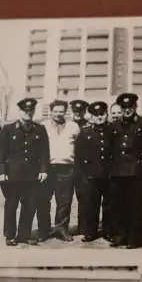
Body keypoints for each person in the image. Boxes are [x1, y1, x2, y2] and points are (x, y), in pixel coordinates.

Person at [0, 98, 49, 246]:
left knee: (29, 206)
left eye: (31, 111)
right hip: (12, 175)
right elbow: (0, 153)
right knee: (11, 205)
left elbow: (44, 152)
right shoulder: (8, 129)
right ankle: (10, 235)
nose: (28, 114)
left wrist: (44, 170)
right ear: (19, 112)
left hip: (32, 176)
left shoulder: (40, 129)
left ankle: (24, 235)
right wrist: (1, 171)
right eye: (25, 111)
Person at [109, 93, 142, 249]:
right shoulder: (114, 125)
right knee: (119, 205)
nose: (127, 110)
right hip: (118, 172)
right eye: (124, 108)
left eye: (130, 107)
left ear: (135, 107)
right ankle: (122, 235)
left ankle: (136, 238)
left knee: (136, 206)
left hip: (137, 171)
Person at [39, 99, 80, 242]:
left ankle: (61, 228)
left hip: (67, 168)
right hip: (48, 169)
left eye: (61, 111)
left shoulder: (73, 126)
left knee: (64, 201)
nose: (58, 114)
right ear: (51, 112)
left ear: (65, 112)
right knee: (44, 200)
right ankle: (44, 230)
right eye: (55, 111)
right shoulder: (43, 126)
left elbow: (79, 148)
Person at [74, 101, 113, 242]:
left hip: (109, 174)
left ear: (106, 114)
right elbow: (78, 154)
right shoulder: (85, 132)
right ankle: (90, 232)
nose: (99, 117)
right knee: (91, 204)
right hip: (91, 175)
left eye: (102, 114)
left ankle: (108, 231)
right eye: (96, 115)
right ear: (92, 116)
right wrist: (83, 175)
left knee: (109, 204)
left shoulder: (113, 130)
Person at [69, 99, 90, 235]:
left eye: (80, 111)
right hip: (68, 165)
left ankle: (84, 227)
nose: (78, 114)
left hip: (83, 167)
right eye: (75, 111)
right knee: (64, 199)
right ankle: (62, 227)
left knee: (84, 198)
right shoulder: (67, 125)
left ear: (84, 111)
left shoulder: (89, 125)